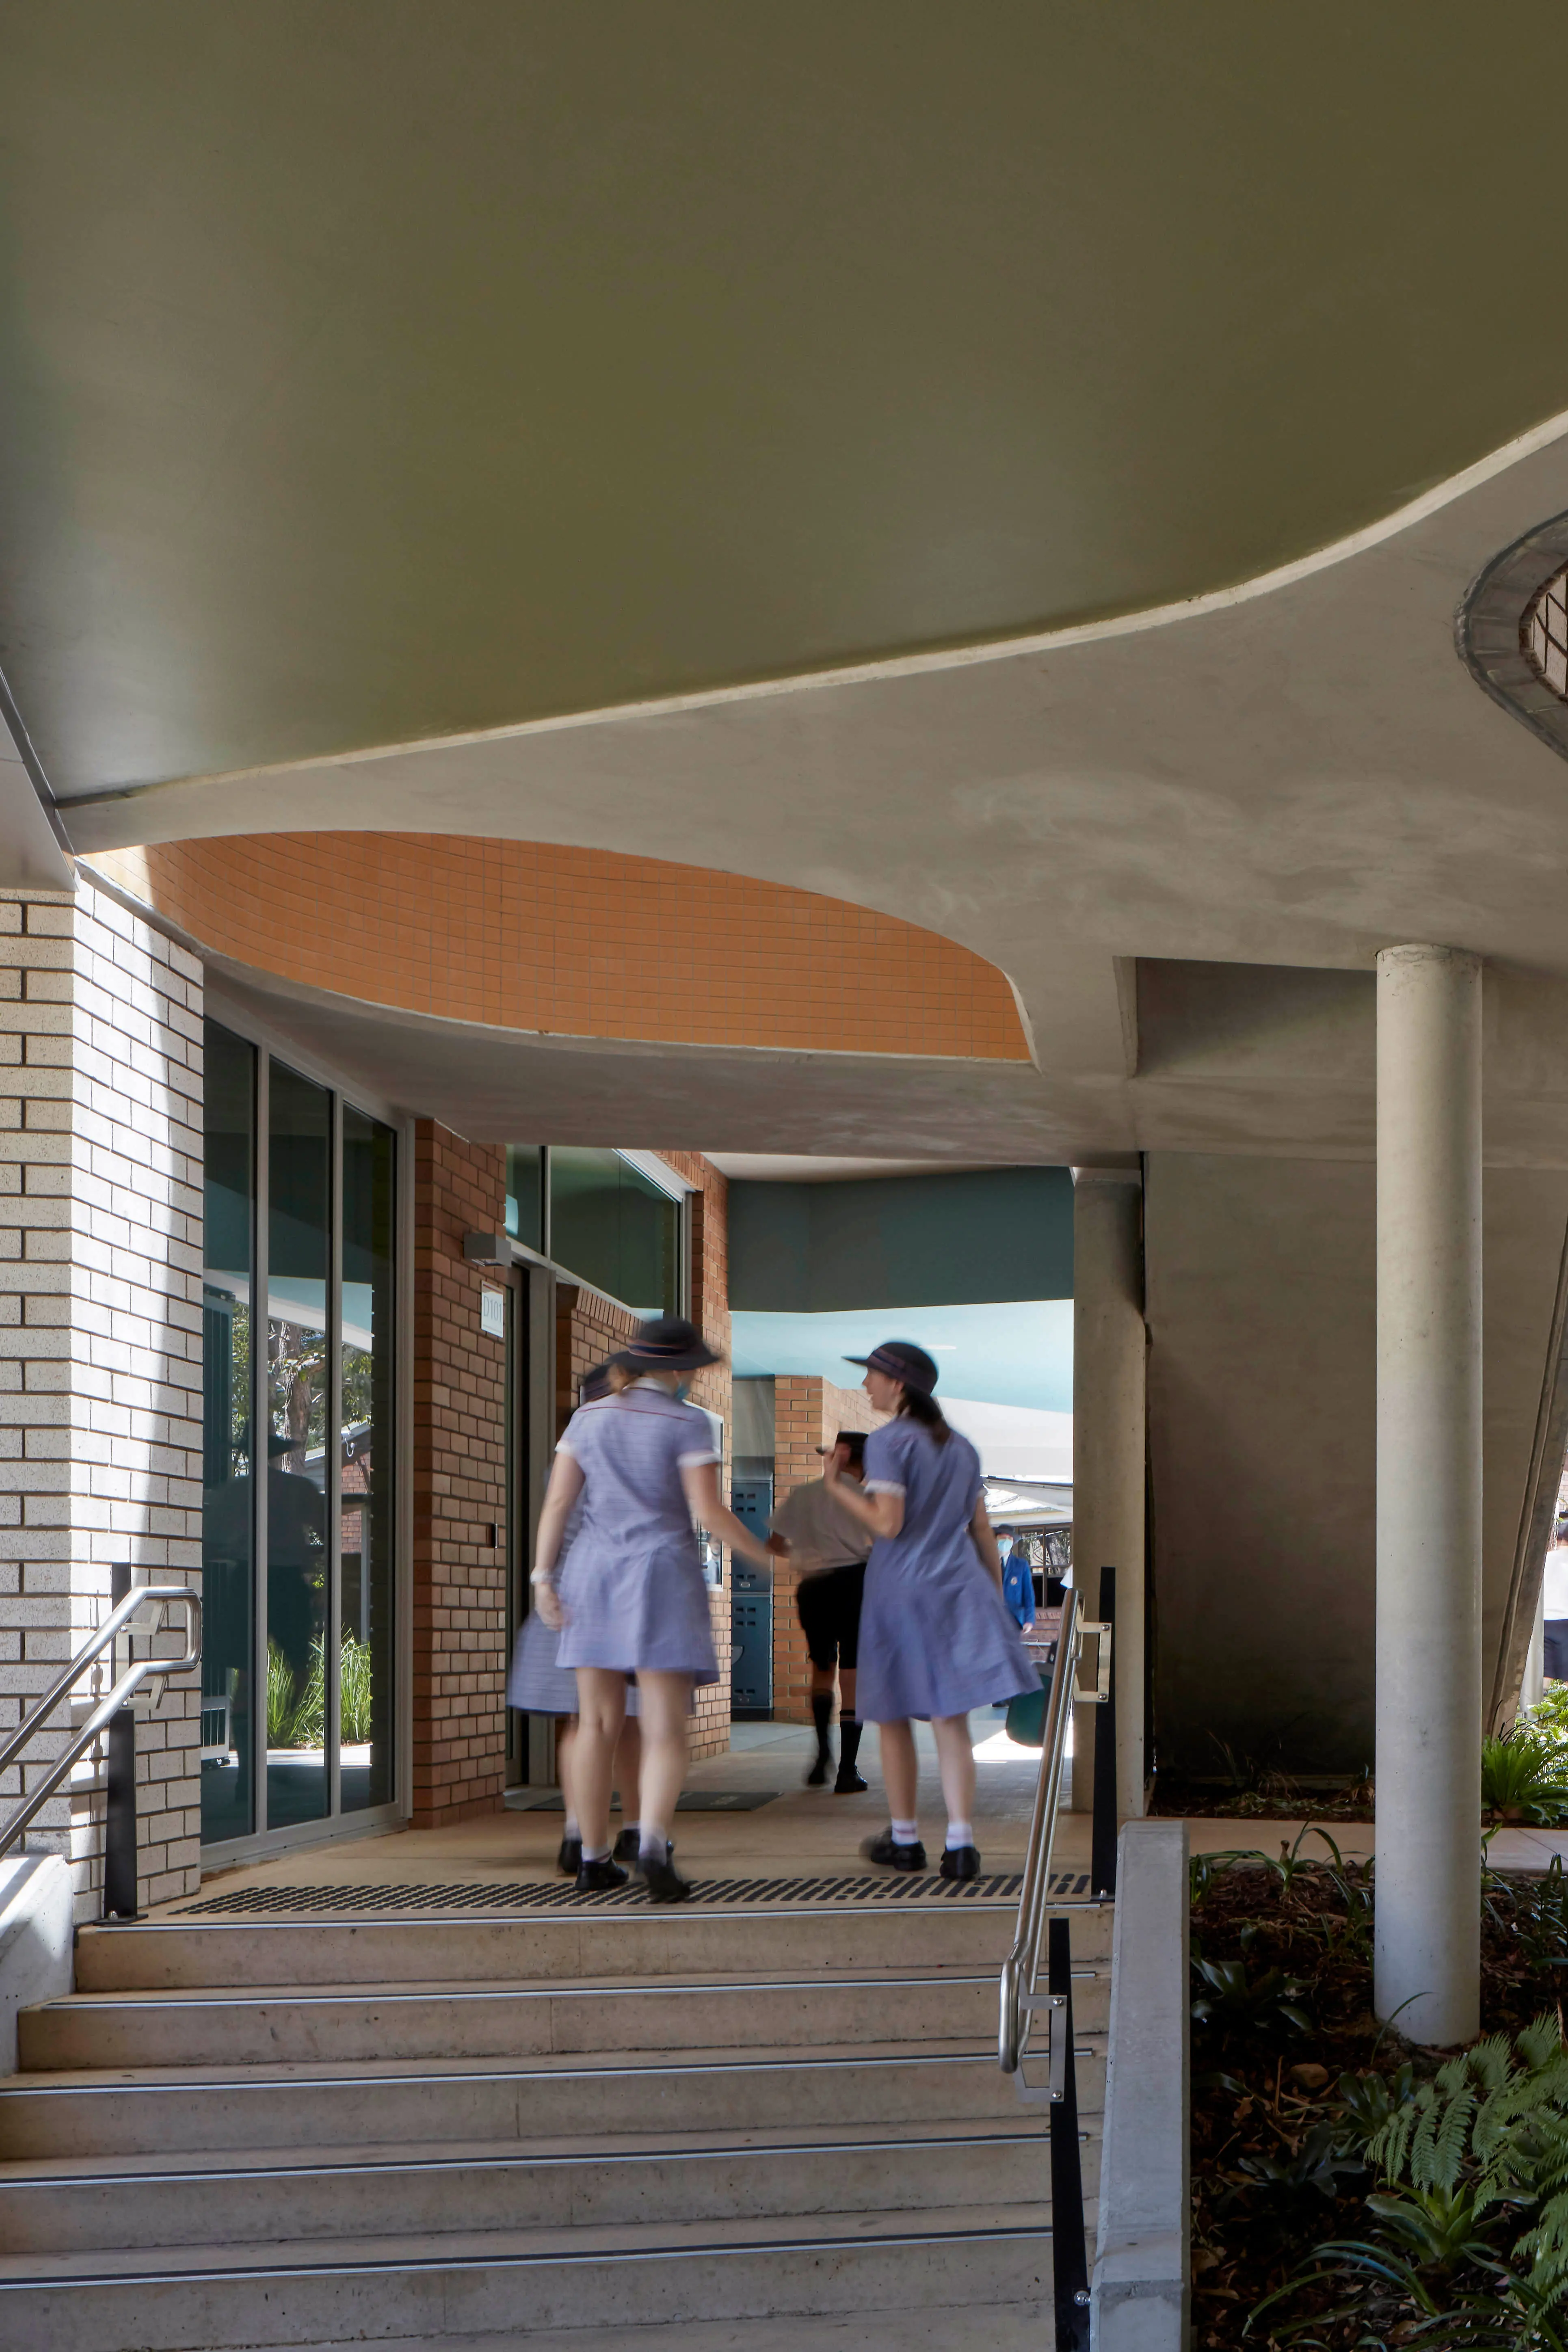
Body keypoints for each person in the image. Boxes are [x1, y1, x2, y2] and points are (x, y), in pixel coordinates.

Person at [532, 1315, 774, 1902]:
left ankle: (591, 1859)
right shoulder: (688, 1423)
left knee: (595, 1724)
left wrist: (543, 1577)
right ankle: (651, 1845)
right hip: (663, 1576)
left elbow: (560, 1501)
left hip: (591, 1576)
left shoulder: (587, 1418)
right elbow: (709, 1512)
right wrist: (763, 1555)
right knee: (665, 1726)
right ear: (675, 1368)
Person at [824, 1339, 1036, 1880]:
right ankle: (961, 1845)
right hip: (958, 1590)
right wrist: (990, 1595)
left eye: (872, 1375)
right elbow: (982, 1528)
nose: (866, 1384)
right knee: (951, 1719)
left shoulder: (890, 1441)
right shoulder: (962, 1447)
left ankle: (906, 1840)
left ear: (898, 1385)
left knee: (893, 1717)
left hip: (903, 1592)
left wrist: (836, 1486)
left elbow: (887, 1523)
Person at [507, 1364, 644, 1876]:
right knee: (627, 1721)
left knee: (579, 1724)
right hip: (612, 1605)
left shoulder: (566, 1458)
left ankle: (576, 1832)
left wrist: (544, 1580)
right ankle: (632, 1828)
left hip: (562, 1601)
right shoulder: (623, 1461)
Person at [768, 1431, 872, 1792]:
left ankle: (821, 1755)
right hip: (857, 1585)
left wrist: (806, 1556)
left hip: (814, 1587)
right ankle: (848, 1770)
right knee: (853, 1674)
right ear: (863, 1463)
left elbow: (775, 1544)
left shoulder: (804, 1494)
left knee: (822, 1668)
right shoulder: (867, 1497)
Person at [998, 1528, 1037, 1632]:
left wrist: (1029, 1620)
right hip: (991, 1619)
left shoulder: (1021, 1565)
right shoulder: (987, 1564)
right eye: (1003, 1538)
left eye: (1009, 1539)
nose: (1006, 1541)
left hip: (1014, 1619)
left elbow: (1029, 1594)